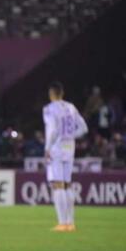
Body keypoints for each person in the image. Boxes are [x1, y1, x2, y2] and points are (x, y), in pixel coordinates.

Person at [43, 82, 88, 231]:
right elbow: (83, 128)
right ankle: (70, 222)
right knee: (68, 183)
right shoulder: (71, 107)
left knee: (58, 184)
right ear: (62, 94)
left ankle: (62, 223)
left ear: (51, 95)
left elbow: (52, 129)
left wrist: (47, 148)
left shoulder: (49, 109)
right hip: (70, 147)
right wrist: (70, 136)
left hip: (56, 147)